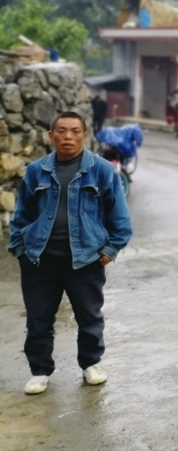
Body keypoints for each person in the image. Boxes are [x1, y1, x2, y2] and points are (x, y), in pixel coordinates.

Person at [8, 111, 132, 395]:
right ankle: (40, 371)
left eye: (75, 131)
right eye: (61, 130)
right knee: (38, 319)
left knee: (89, 316)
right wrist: (20, 249)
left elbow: (121, 221)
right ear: (51, 135)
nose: (68, 137)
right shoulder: (35, 171)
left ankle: (91, 364)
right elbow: (21, 215)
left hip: (86, 260)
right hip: (40, 260)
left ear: (84, 135)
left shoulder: (102, 171)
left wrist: (108, 251)